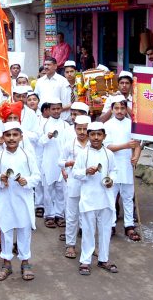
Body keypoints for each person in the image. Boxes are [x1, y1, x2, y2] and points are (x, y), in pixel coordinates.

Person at [0, 122, 41, 282]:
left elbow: (37, 176)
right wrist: (0, 178)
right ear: (3, 138)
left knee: (24, 231)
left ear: (21, 137)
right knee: (6, 231)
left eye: (15, 135)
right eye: (8, 135)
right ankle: (6, 264)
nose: (11, 138)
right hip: (5, 200)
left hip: (23, 200)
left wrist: (27, 181)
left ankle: (25, 263)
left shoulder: (27, 156)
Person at [74, 122, 118, 276]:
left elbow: (114, 171)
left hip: (105, 198)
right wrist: (86, 172)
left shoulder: (109, 154)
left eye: (99, 134)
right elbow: (75, 173)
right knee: (88, 231)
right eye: (93, 134)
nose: (96, 137)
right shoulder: (83, 154)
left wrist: (111, 180)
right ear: (88, 135)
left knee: (105, 230)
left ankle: (103, 259)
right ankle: (85, 260)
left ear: (104, 136)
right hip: (89, 199)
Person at [104, 97, 142, 241]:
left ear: (126, 109)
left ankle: (129, 226)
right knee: (111, 197)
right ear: (112, 109)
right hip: (112, 166)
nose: (119, 111)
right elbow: (108, 146)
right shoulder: (107, 125)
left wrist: (136, 157)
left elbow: (137, 144)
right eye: (117, 108)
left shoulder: (132, 124)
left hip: (127, 166)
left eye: (122, 108)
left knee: (127, 198)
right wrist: (126, 146)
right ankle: (111, 225)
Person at [58, 115, 90, 260]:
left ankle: (89, 246)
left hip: (91, 185)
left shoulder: (95, 144)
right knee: (72, 216)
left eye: (85, 129)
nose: (82, 132)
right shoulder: (69, 144)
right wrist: (69, 164)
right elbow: (60, 162)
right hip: (73, 184)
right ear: (75, 129)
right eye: (79, 129)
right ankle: (70, 245)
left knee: (89, 216)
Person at [38, 96, 71, 229]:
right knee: (48, 189)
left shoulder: (66, 125)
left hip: (61, 161)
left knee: (60, 189)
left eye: (58, 108)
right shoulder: (44, 124)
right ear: (49, 110)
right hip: (48, 161)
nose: (56, 111)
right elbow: (39, 142)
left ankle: (59, 214)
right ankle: (49, 215)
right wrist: (48, 136)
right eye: (53, 109)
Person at [34, 57, 72, 121]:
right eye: (45, 65)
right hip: (42, 118)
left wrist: (54, 111)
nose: (46, 67)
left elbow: (66, 102)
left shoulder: (62, 81)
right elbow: (36, 98)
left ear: (55, 66)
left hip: (59, 118)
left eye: (48, 65)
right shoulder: (39, 81)